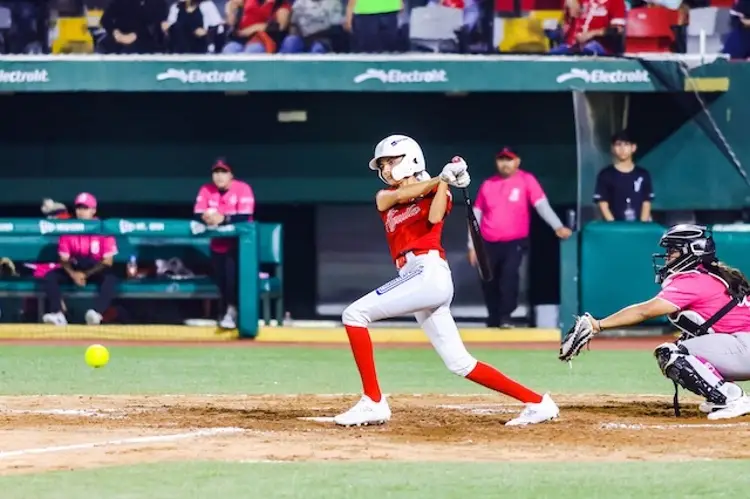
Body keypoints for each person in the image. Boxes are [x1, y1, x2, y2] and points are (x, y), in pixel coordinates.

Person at [333, 135, 560, 427]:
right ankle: (538, 402)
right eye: (384, 164)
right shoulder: (384, 195)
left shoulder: (437, 190)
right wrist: (443, 177)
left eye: (392, 161)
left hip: (427, 271)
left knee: (354, 314)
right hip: (415, 277)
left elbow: (436, 216)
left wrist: (444, 182)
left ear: (411, 159)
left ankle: (373, 401)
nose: (387, 169)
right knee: (460, 363)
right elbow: (400, 196)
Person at [578, 224, 750, 420]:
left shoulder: (692, 279)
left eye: (673, 250)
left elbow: (645, 311)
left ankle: (732, 398)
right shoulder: (710, 274)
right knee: (683, 344)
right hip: (742, 345)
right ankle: (726, 394)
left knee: (672, 353)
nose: (667, 256)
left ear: (691, 251)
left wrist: (598, 325)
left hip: (744, 347)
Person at [469, 148, 572, 328]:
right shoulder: (488, 184)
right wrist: (472, 245)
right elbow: (475, 215)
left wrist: (558, 226)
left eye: (509, 159)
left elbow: (542, 206)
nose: (505, 163)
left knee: (509, 277)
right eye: (501, 159)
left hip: (514, 242)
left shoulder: (526, 180)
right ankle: (493, 317)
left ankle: (506, 316)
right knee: (488, 280)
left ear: (517, 161)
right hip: (487, 242)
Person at [193, 158, 255, 329]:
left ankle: (233, 312)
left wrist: (223, 218)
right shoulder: (206, 189)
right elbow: (198, 213)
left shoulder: (243, 189)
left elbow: (244, 216)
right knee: (221, 279)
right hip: (217, 244)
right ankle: (227, 312)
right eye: (216, 172)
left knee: (232, 277)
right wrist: (207, 217)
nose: (219, 176)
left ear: (231, 175)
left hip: (240, 245)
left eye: (223, 172)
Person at [42, 193, 119, 326]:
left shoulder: (103, 228)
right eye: (79, 208)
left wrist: (85, 274)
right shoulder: (69, 228)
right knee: (50, 277)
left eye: (85, 208)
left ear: (93, 210)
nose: (81, 212)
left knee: (111, 278)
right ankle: (58, 314)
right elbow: (63, 259)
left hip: (95, 269)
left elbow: (108, 261)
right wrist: (73, 274)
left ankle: (96, 314)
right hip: (75, 268)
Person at [594, 131, 654, 222]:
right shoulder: (605, 174)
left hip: (639, 228)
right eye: (618, 145)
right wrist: (614, 226)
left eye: (626, 144)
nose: (622, 149)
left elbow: (646, 202)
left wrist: (642, 226)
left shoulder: (643, 174)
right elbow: (602, 203)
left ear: (633, 148)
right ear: (612, 148)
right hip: (612, 229)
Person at [549, 0, 625, 55]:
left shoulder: (615, 1)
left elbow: (618, 30)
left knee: (589, 49)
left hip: (599, 47)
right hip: (571, 47)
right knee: (551, 55)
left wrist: (591, 34)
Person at [222, 0, 291, 54]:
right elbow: (232, 6)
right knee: (229, 49)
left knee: (252, 50)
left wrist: (255, 28)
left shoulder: (281, 5)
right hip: (240, 39)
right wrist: (230, 11)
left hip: (262, 41)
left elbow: (281, 27)